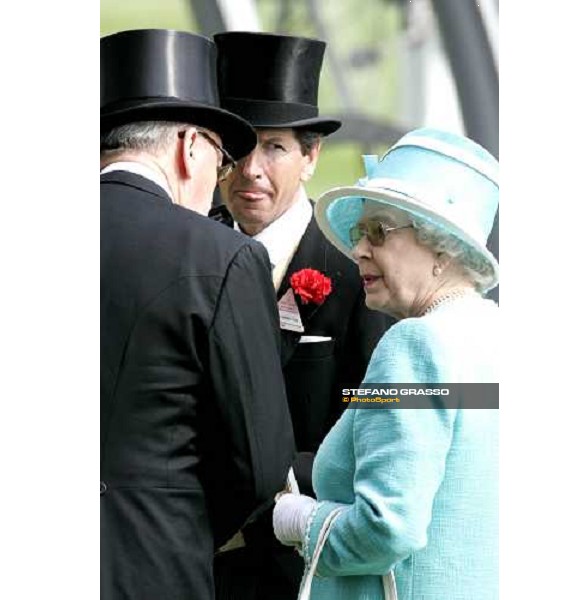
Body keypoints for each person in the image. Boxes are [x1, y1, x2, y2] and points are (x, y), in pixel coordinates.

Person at [100, 29, 295, 600]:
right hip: (154, 561)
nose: (228, 174)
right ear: (191, 147)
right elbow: (259, 465)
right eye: (223, 156)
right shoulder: (218, 254)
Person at [273, 128, 499, 599]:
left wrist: (298, 520)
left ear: (442, 247)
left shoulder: (415, 347)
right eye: (359, 233)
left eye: (378, 231)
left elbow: (386, 530)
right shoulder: (494, 332)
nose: (358, 249)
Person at [211, 31, 395, 600]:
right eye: (238, 148)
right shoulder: (193, 251)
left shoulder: (352, 273)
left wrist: (277, 489)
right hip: (197, 561)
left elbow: (374, 413)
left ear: (311, 156)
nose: (251, 171)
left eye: (274, 148)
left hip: (305, 561)